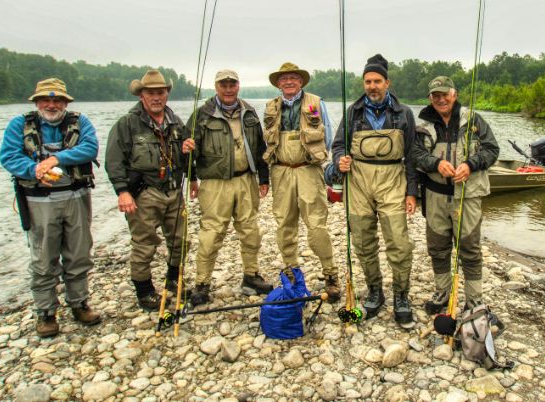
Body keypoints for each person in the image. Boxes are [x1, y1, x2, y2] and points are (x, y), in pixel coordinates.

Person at [0, 78, 102, 337]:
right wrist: (34, 170)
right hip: (37, 199)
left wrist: (57, 158)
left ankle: (79, 303)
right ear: (36, 102)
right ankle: (46, 312)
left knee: (79, 252)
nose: (52, 104)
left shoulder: (80, 122)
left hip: (76, 195)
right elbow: (8, 156)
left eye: (58, 100)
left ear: (66, 102)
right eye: (46, 99)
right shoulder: (19, 125)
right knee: (43, 257)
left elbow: (90, 148)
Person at [332, 54, 426, 328]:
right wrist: (340, 159)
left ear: (387, 82)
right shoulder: (353, 112)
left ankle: (401, 295)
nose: (372, 86)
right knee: (362, 240)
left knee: (398, 241)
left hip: (392, 179)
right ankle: (375, 291)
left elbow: (411, 154)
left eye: (377, 81)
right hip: (358, 181)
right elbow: (338, 145)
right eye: (368, 81)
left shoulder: (404, 113)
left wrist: (412, 191)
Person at [410, 76, 499, 313]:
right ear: (430, 98)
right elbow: (416, 154)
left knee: (470, 249)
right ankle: (442, 293)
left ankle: (474, 299)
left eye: (444, 94)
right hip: (435, 197)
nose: (441, 99)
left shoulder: (474, 120)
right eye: (435, 96)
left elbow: (492, 150)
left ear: (454, 94)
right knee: (438, 249)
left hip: (467, 197)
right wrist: (435, 163)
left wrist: (471, 164)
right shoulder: (423, 125)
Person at [105, 70, 191, 310]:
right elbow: (113, 161)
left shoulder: (175, 122)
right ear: (141, 95)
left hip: (174, 191)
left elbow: (185, 161)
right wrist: (122, 191)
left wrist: (186, 150)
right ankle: (144, 291)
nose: (156, 97)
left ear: (167, 94)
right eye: (150, 93)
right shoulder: (127, 124)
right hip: (143, 193)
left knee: (180, 241)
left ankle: (174, 281)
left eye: (160, 92)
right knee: (144, 244)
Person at [182, 69, 270, 304]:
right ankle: (202, 283)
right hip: (214, 183)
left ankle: (251, 275)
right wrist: (191, 177)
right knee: (211, 233)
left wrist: (263, 178)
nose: (228, 89)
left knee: (250, 230)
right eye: (224, 85)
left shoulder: (250, 112)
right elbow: (187, 150)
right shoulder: (202, 115)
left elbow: (260, 148)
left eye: (232, 84)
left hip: (246, 180)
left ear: (238, 86)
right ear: (216, 87)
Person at [262, 62, 339, 302]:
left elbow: (331, 135)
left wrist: (327, 166)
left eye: (293, 78)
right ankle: (290, 270)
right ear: (277, 83)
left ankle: (330, 274)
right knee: (284, 223)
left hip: (309, 170)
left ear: (301, 81)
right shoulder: (270, 107)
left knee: (317, 224)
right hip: (281, 171)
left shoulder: (317, 103)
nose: (288, 82)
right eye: (284, 79)